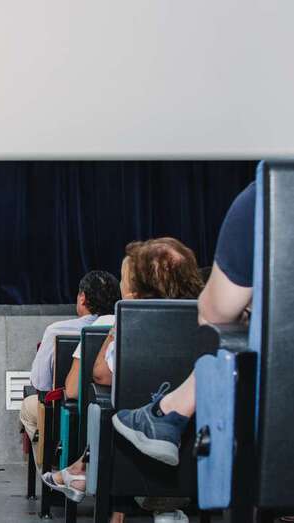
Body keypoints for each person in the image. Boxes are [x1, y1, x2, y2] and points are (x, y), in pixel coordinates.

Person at [43, 237, 204, 523]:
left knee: (101, 407)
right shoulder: (211, 317)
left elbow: (102, 375)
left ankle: (83, 471)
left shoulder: (134, 321)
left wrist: (117, 326)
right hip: (199, 450)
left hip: (134, 455)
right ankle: (166, 508)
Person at [112, 183, 255, 467]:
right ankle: (168, 413)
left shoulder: (261, 199)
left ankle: (170, 412)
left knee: (219, 326)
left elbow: (217, 312)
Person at [19, 271, 120, 444]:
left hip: (67, 413)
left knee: (27, 409)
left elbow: (40, 383)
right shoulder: (127, 327)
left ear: (82, 298)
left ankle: (51, 464)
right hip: (117, 412)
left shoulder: (56, 331)